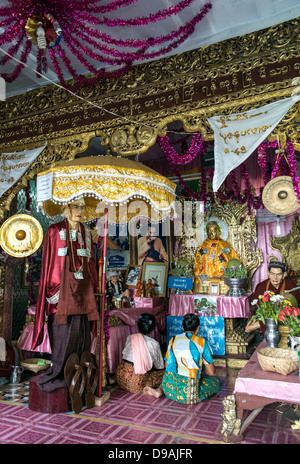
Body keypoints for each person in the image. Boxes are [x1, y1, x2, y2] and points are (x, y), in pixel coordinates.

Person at [32, 197, 99, 393]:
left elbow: (91, 264)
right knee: (63, 335)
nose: (79, 211)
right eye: (75, 206)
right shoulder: (54, 230)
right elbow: (51, 265)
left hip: (84, 292)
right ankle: (60, 375)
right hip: (61, 292)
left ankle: (78, 378)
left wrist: (92, 285)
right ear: (66, 208)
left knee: (81, 337)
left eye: (81, 207)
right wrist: (58, 288)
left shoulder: (87, 232)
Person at [143, 313, 220, 404]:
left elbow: (166, 365)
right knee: (215, 382)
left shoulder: (174, 339)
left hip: (169, 388)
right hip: (188, 395)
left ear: (183, 328)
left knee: (171, 374)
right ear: (198, 328)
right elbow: (211, 372)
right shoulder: (201, 342)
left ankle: (160, 390)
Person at [246, 260, 300, 334]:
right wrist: (254, 317)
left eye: (279, 274)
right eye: (272, 274)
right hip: (267, 318)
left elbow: (296, 307)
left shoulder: (291, 286)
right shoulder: (261, 286)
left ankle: (259, 325)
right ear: (268, 273)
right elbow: (255, 307)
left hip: (286, 320)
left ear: (284, 274)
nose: (275, 278)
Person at [115, 313, 165, 393]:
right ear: (153, 328)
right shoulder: (154, 344)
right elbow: (160, 366)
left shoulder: (130, 337)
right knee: (165, 374)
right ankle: (156, 390)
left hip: (121, 377)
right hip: (136, 383)